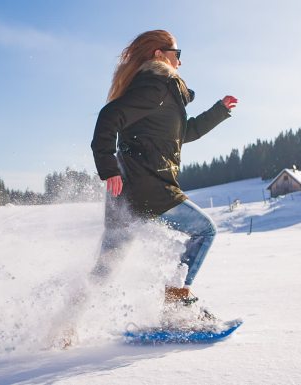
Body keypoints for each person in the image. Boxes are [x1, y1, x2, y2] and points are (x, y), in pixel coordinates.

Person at [90, 29, 238, 306]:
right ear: (159, 55)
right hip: (148, 185)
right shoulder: (157, 86)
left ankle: (62, 325)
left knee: (106, 266)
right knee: (204, 231)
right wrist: (108, 167)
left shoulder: (160, 92)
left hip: (126, 188)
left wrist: (219, 110)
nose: (180, 61)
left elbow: (185, 133)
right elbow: (110, 115)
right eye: (177, 54)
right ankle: (175, 303)